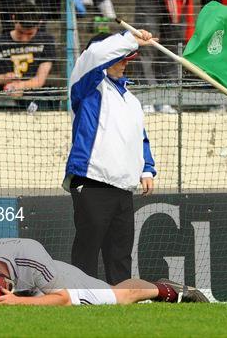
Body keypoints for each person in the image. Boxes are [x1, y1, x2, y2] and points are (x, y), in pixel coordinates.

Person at [62, 30, 157, 286]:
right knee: (87, 251)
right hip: (92, 180)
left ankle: (121, 306)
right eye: (120, 56)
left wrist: (147, 169)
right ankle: (81, 300)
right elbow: (96, 54)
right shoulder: (86, 86)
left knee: (120, 256)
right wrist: (130, 38)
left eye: (128, 56)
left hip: (124, 186)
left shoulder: (132, 100)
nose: (125, 61)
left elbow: (140, 137)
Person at [0, 238, 209, 307]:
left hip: (60, 280)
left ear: (9, 283)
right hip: (30, 284)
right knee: (115, 288)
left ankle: (170, 290)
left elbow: (61, 298)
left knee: (120, 295)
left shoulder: (32, 258)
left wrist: (17, 302)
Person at [0, 3, 56, 96]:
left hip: (34, 98)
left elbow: (40, 79)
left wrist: (20, 86)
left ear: (40, 23)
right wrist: (2, 78)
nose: (24, 39)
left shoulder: (46, 41)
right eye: (20, 32)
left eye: (29, 34)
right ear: (14, 18)